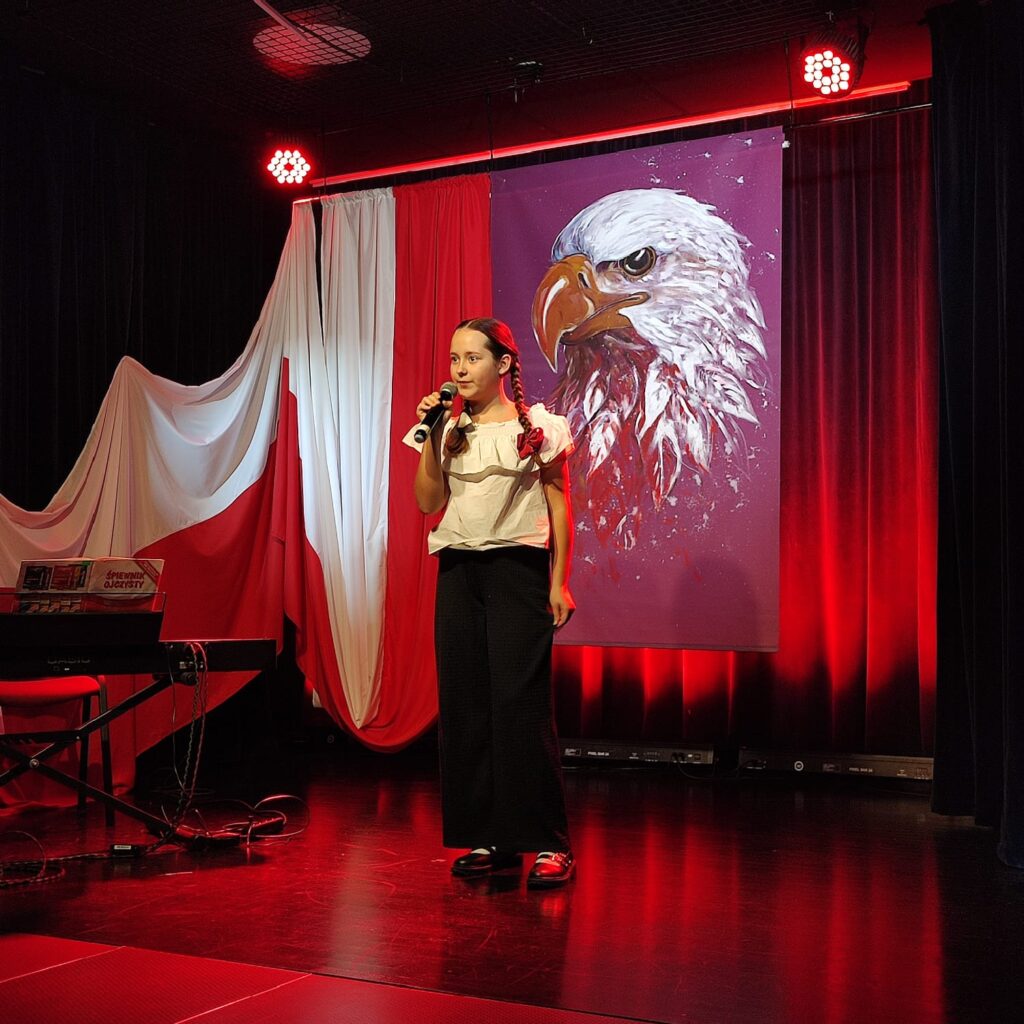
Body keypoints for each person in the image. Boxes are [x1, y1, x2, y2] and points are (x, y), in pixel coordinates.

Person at [404, 317, 576, 888]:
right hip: (458, 571)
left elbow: (559, 505)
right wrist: (432, 433)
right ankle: (490, 837)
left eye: (472, 358)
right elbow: (427, 501)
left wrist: (558, 581)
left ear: (502, 365)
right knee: (467, 705)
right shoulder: (447, 427)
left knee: (520, 706)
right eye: (454, 358)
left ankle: (548, 843)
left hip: (517, 571)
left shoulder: (539, 427)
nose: (459, 369)